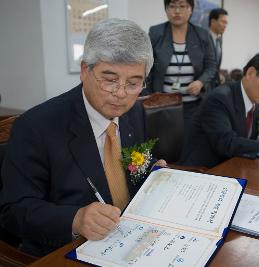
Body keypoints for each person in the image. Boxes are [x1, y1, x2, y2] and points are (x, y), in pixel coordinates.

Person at [0, 18, 166, 257]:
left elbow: (131, 165)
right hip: (65, 250)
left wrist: (152, 172)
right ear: (84, 70)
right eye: (109, 79)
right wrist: (75, 219)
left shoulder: (134, 112)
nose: (120, 94)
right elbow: (13, 209)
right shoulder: (36, 126)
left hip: (131, 239)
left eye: (133, 83)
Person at [145, 0, 217, 127]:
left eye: (182, 6)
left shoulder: (202, 35)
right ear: (166, 9)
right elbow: (147, 67)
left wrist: (200, 82)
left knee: (189, 143)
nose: (177, 11)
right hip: (162, 104)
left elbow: (211, 66)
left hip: (194, 105)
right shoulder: (156, 33)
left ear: (191, 9)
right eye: (172, 6)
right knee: (164, 142)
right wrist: (150, 96)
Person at [209, 8, 228, 87]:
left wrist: (218, 75)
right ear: (213, 21)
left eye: (226, 23)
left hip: (214, 84)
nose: (225, 25)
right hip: (203, 85)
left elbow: (215, 65)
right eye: (223, 22)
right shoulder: (203, 39)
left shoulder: (219, 40)